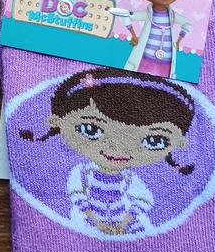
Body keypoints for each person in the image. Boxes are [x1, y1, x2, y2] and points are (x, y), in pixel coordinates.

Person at [20, 69, 195, 236]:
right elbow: (79, 200)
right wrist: (97, 223)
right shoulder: (83, 174)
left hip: (130, 226)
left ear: (179, 143)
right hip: (87, 223)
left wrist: (125, 223)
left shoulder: (130, 180)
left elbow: (141, 202)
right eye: (91, 129)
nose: (120, 148)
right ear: (57, 122)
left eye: (154, 141)